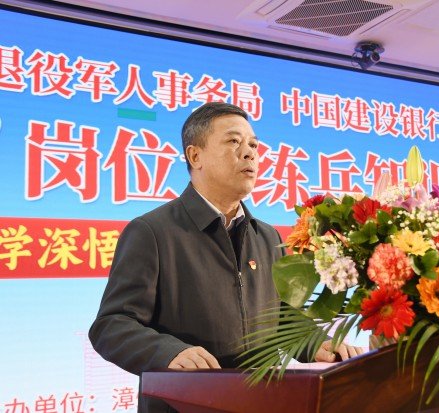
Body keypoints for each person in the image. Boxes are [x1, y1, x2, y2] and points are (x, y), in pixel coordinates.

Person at [89, 102, 364, 413]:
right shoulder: (152, 231)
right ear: (195, 156)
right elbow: (112, 325)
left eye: (253, 145)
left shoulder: (267, 237)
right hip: (184, 404)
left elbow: (281, 316)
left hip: (260, 402)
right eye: (234, 141)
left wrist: (317, 343)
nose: (249, 153)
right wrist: (168, 352)